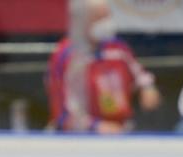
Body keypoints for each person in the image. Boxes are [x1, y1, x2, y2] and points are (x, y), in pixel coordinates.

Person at [46, 0, 161, 133]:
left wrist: (147, 88)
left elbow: (140, 75)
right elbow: (64, 114)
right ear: (82, 21)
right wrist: (96, 126)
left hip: (122, 130)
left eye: (107, 17)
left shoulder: (117, 47)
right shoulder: (66, 56)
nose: (106, 24)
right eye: (100, 19)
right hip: (80, 136)